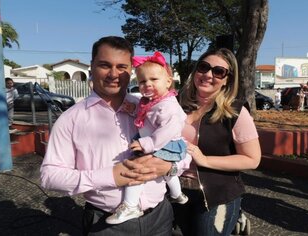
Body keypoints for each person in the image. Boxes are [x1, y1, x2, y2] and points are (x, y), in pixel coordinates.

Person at [40, 36, 190, 236]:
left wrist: (171, 166)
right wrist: (111, 176)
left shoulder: (151, 107)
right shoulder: (71, 119)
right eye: (104, 65)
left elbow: (183, 148)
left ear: (131, 71)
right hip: (107, 224)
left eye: (122, 66)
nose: (113, 74)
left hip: (160, 217)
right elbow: (50, 176)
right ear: (91, 67)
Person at [173, 48, 261, 236]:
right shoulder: (175, 104)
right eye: (203, 67)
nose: (208, 75)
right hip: (174, 190)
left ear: (227, 79)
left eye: (218, 71)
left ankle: (234, 217)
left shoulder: (235, 112)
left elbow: (252, 159)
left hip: (216, 195)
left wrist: (205, 160)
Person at [106, 52, 191, 224]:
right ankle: (176, 194)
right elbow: (145, 117)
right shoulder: (151, 101)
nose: (148, 84)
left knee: (138, 168)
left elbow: (168, 131)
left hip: (164, 144)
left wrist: (147, 143)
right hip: (159, 143)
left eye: (154, 79)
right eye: (143, 81)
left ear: (168, 82)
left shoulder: (168, 107)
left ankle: (130, 206)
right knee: (165, 171)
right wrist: (132, 109)